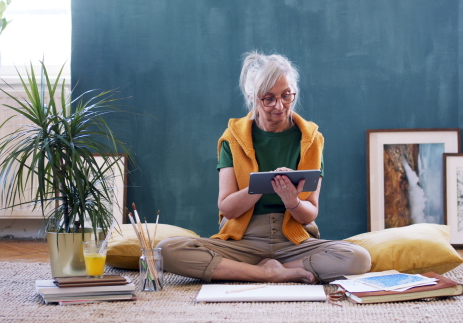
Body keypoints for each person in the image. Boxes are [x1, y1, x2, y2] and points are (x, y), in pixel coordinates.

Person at [158, 51, 371, 284]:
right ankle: (267, 273)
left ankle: (261, 269)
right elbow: (227, 208)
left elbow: (311, 212)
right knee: (165, 249)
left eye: (286, 96)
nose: (279, 106)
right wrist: (262, 185)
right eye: (268, 98)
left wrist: (292, 201)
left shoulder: (311, 139)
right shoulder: (232, 139)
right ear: (252, 96)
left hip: (293, 242)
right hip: (243, 241)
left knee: (358, 258)